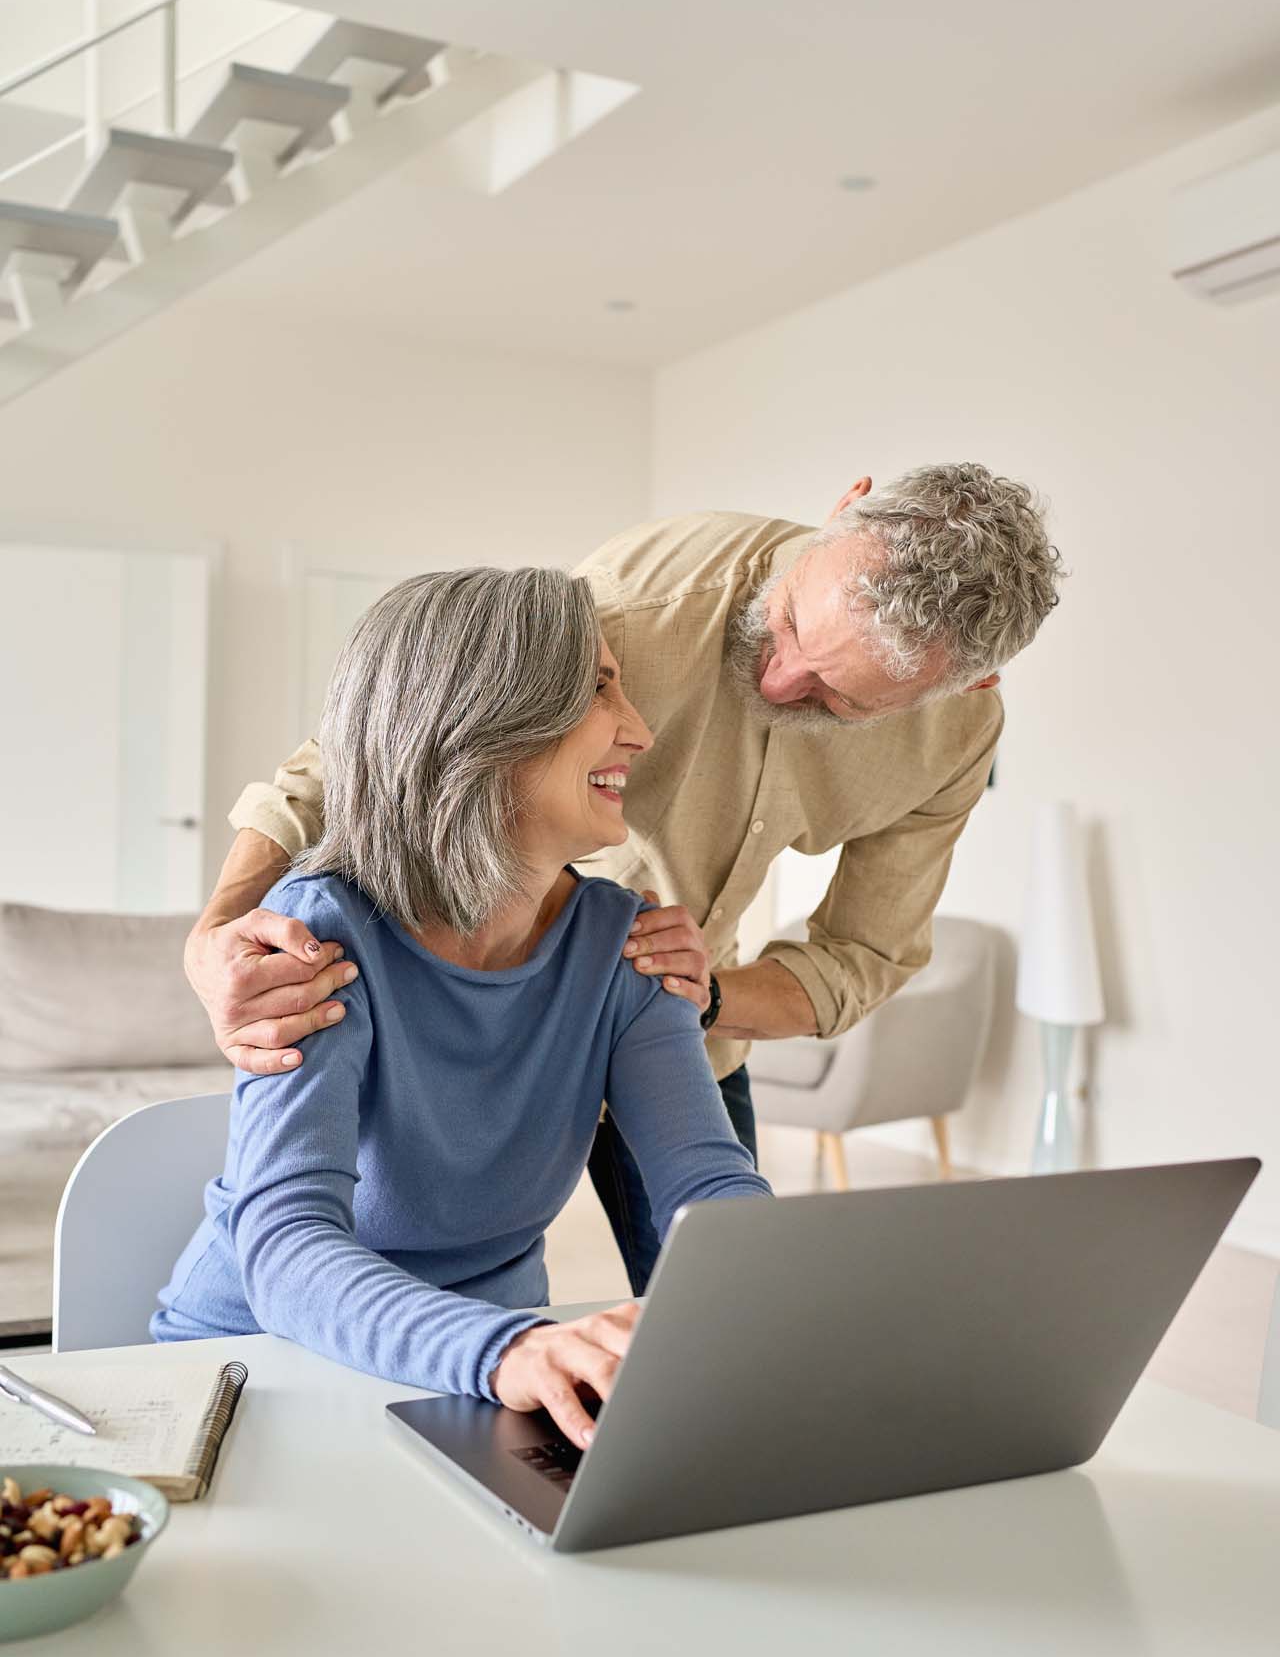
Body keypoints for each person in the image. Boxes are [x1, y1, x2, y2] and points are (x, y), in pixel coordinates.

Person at [185, 462, 1062, 1295]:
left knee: (716, 1322)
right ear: (845, 507)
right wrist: (215, 936)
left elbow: (863, 953)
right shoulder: (635, 606)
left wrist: (702, 995)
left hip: (665, 1004)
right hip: (494, 1000)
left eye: (841, 697)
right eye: (792, 622)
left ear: (967, 683)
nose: (780, 675)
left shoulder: (951, 743)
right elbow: (374, 749)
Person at [154, 568, 770, 1448]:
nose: (639, 729)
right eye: (600, 690)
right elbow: (286, 1247)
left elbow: (706, 1186)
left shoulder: (628, 945)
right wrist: (507, 1347)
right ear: (486, 722)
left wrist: (789, 1305)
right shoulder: (319, 933)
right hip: (254, 1375)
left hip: (483, 1390)